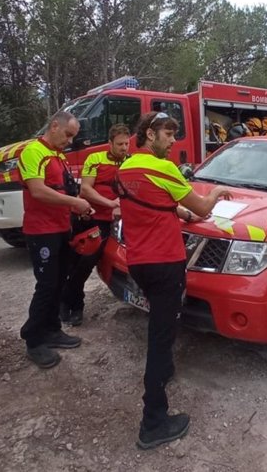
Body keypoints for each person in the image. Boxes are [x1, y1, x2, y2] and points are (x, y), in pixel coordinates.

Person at [117, 111, 232, 449]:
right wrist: (216, 193)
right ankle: (153, 423)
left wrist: (176, 211)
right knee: (160, 337)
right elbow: (201, 207)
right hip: (165, 263)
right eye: (167, 134)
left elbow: (148, 202)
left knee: (159, 325)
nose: (171, 141)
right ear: (149, 134)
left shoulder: (125, 167)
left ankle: (164, 371)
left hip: (138, 260)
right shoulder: (163, 168)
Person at [18, 111, 93, 369]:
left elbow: (65, 190)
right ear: (54, 126)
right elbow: (38, 190)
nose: (70, 141)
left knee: (60, 281)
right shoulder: (32, 152)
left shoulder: (58, 156)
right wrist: (75, 202)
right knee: (47, 285)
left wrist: (79, 207)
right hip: (41, 231)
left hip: (61, 228)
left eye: (73, 136)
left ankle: (51, 330)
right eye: (68, 134)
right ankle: (33, 339)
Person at [59, 124, 131, 326]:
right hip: (90, 218)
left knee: (86, 264)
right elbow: (86, 190)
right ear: (110, 143)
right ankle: (69, 303)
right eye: (119, 144)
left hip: (113, 222)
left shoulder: (131, 162)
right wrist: (110, 203)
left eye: (126, 144)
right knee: (76, 263)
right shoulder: (95, 159)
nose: (124, 148)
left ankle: (73, 304)